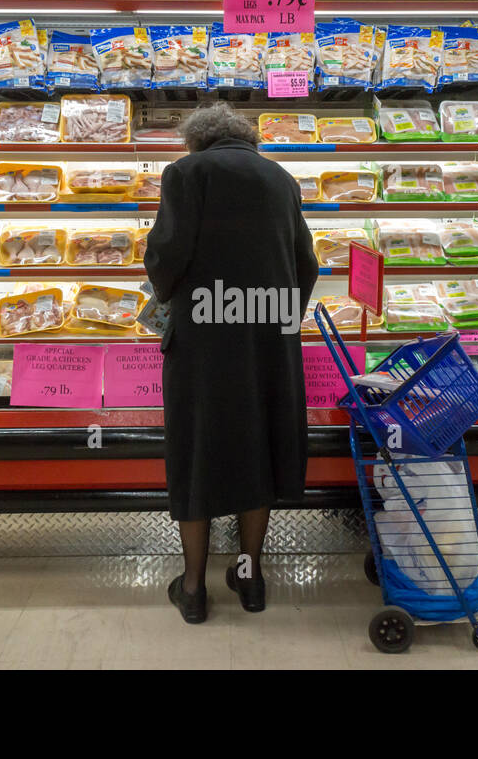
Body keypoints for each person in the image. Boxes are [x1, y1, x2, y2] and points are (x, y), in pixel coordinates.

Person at [145, 102, 319, 624]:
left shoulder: (186, 172)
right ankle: (251, 577)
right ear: (247, 138)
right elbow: (305, 263)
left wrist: (164, 293)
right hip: (268, 337)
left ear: (197, 140)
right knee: (257, 448)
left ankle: (194, 588)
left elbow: (166, 255)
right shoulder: (281, 178)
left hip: (203, 341)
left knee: (197, 450)